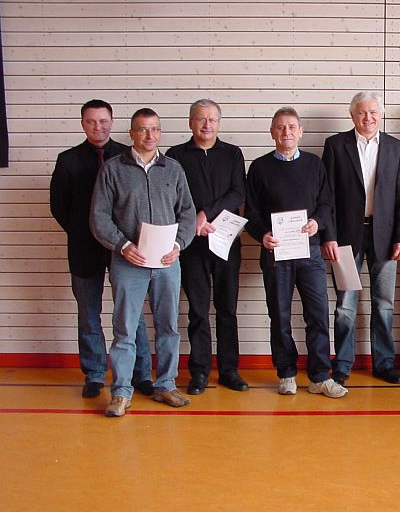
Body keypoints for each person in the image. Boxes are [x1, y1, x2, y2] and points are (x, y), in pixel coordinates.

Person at [90, 108, 196, 417]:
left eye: (154, 129)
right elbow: (99, 217)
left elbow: (187, 213)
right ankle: (121, 392)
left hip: (166, 262)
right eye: (142, 129)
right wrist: (123, 246)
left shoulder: (173, 169)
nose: (149, 135)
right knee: (124, 328)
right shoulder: (113, 169)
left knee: (168, 326)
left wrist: (178, 245)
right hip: (128, 262)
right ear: (131, 134)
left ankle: (166, 385)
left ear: (160, 133)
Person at [50, 100, 152, 399]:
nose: (98, 127)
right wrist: (85, 232)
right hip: (84, 248)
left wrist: (122, 239)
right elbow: (59, 206)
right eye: (91, 121)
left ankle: (141, 374)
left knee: (132, 314)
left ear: (112, 122)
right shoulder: (68, 160)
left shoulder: (128, 156)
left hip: (126, 248)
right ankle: (94, 374)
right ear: (83, 124)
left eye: (103, 121)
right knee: (88, 313)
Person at [245, 107, 347, 398]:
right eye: (280, 127)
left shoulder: (315, 165)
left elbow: (326, 204)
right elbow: (251, 213)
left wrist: (317, 222)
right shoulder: (259, 167)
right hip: (275, 254)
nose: (286, 132)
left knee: (317, 314)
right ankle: (286, 373)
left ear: (300, 131)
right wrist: (262, 235)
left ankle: (319, 376)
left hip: (310, 252)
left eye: (291, 127)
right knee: (280, 316)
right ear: (272, 132)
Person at [321, 91, 400, 385]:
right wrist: (329, 236)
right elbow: (327, 196)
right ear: (352, 115)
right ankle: (343, 364)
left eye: (373, 112)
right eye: (362, 112)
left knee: (384, 304)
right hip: (346, 237)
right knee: (345, 305)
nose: (368, 118)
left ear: (380, 114)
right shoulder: (336, 146)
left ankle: (384, 363)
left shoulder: (396, 148)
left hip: (386, 237)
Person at [166, 99, 248, 395]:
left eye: (212, 119)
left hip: (226, 242)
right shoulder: (175, 155)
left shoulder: (232, 153)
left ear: (219, 123)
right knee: (198, 310)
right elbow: (173, 196)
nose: (207, 125)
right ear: (191, 122)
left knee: (227, 309)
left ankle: (229, 370)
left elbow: (238, 192)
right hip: (191, 244)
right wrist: (194, 218)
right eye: (201, 119)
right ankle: (199, 371)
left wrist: (206, 213)